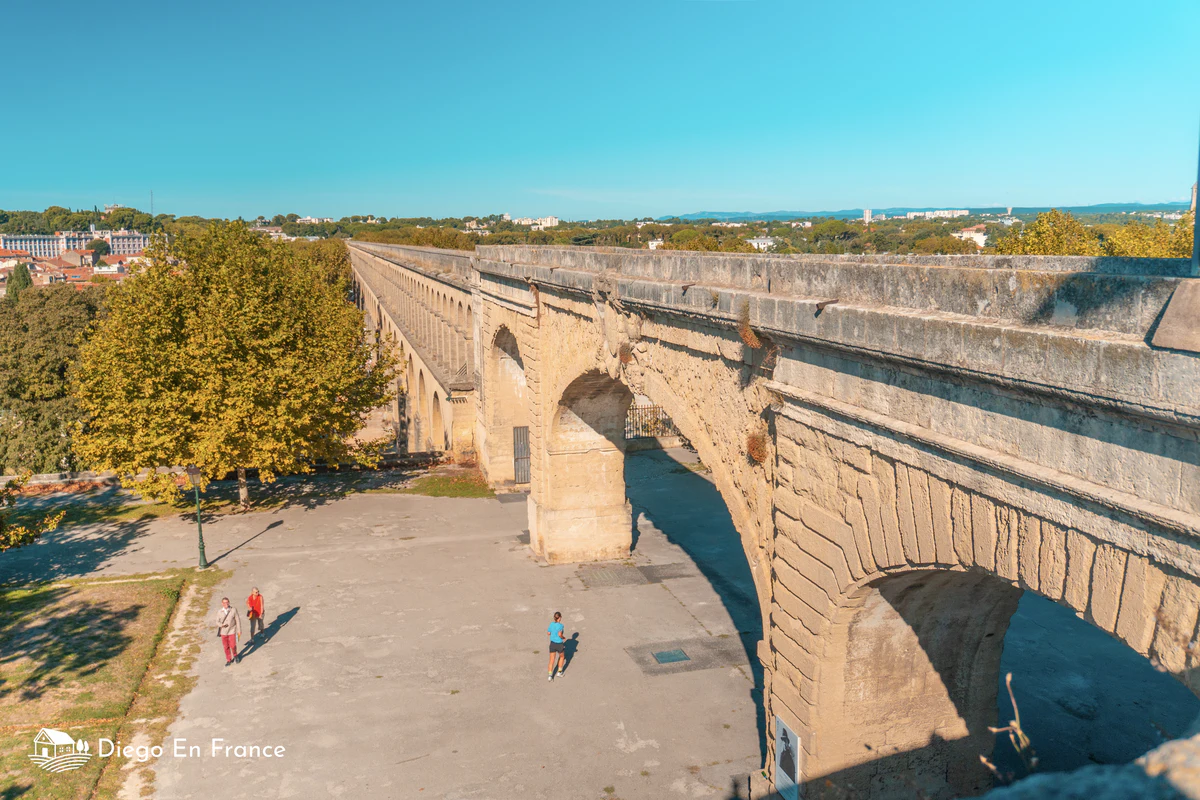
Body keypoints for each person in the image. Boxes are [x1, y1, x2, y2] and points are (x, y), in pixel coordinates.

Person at [216, 597, 241, 666]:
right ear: (222, 603)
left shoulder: (233, 610)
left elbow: (237, 620)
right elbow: (217, 622)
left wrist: (239, 630)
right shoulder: (219, 612)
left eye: (227, 602)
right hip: (223, 632)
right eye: (224, 603)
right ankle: (228, 659)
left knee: (233, 645)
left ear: (229, 602)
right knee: (226, 647)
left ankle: (235, 655)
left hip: (232, 630)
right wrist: (222, 625)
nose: (226, 604)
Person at [547, 611, 566, 681]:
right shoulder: (561, 626)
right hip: (559, 644)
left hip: (552, 644)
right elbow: (560, 635)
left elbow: (548, 633)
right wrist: (563, 637)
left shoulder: (551, 624)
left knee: (551, 660)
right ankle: (559, 672)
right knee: (562, 657)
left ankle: (550, 676)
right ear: (560, 618)